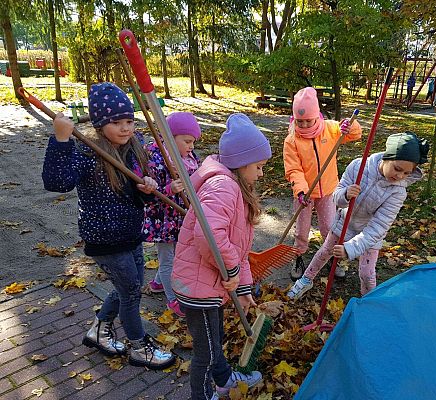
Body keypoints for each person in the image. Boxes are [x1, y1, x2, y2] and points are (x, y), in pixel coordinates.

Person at [42, 82, 176, 370]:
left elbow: (134, 189)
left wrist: (147, 187)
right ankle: (140, 347)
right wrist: (61, 140)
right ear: (101, 123)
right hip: (104, 238)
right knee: (130, 292)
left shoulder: (131, 148)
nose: (126, 128)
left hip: (130, 233)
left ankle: (98, 331)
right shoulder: (87, 153)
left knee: (129, 287)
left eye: (129, 120)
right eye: (117, 122)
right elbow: (57, 182)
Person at [170, 113, 271, 400]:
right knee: (206, 350)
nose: (262, 174)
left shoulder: (237, 187)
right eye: (259, 167)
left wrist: (243, 286)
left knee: (216, 339)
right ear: (241, 163)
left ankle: (224, 378)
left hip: (210, 281)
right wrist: (233, 272)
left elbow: (239, 247)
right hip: (198, 285)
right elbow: (210, 237)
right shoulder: (223, 187)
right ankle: (202, 395)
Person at [288, 132, 430, 300]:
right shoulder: (358, 167)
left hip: (370, 233)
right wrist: (346, 195)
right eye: (397, 169)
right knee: (324, 252)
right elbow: (336, 197)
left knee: (367, 273)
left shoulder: (398, 191)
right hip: (344, 222)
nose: (400, 176)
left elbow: (379, 226)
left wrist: (350, 249)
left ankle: (368, 301)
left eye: (406, 173)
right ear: (386, 157)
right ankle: (306, 279)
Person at [283, 87, 362, 280]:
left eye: (308, 120)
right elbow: (294, 169)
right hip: (304, 194)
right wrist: (301, 192)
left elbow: (355, 134)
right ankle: (299, 256)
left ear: (317, 115)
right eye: (299, 121)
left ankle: (332, 259)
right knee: (302, 230)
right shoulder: (292, 139)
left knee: (329, 227)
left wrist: (348, 126)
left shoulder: (330, 128)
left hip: (328, 191)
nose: (304, 124)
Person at [143, 112, 201, 317]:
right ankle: (172, 300)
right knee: (169, 259)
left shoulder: (190, 158)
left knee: (173, 255)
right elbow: (148, 193)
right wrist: (169, 189)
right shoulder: (157, 159)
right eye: (187, 141)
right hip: (163, 219)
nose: (191, 146)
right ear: (170, 137)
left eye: (193, 142)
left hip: (180, 216)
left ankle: (158, 283)